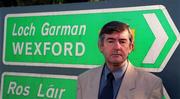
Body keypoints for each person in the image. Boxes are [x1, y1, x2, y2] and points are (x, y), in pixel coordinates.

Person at [77, 21, 163, 99]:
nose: (117, 47)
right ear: (100, 46)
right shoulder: (84, 80)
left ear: (131, 47)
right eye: (111, 41)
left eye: (122, 41)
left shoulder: (151, 84)